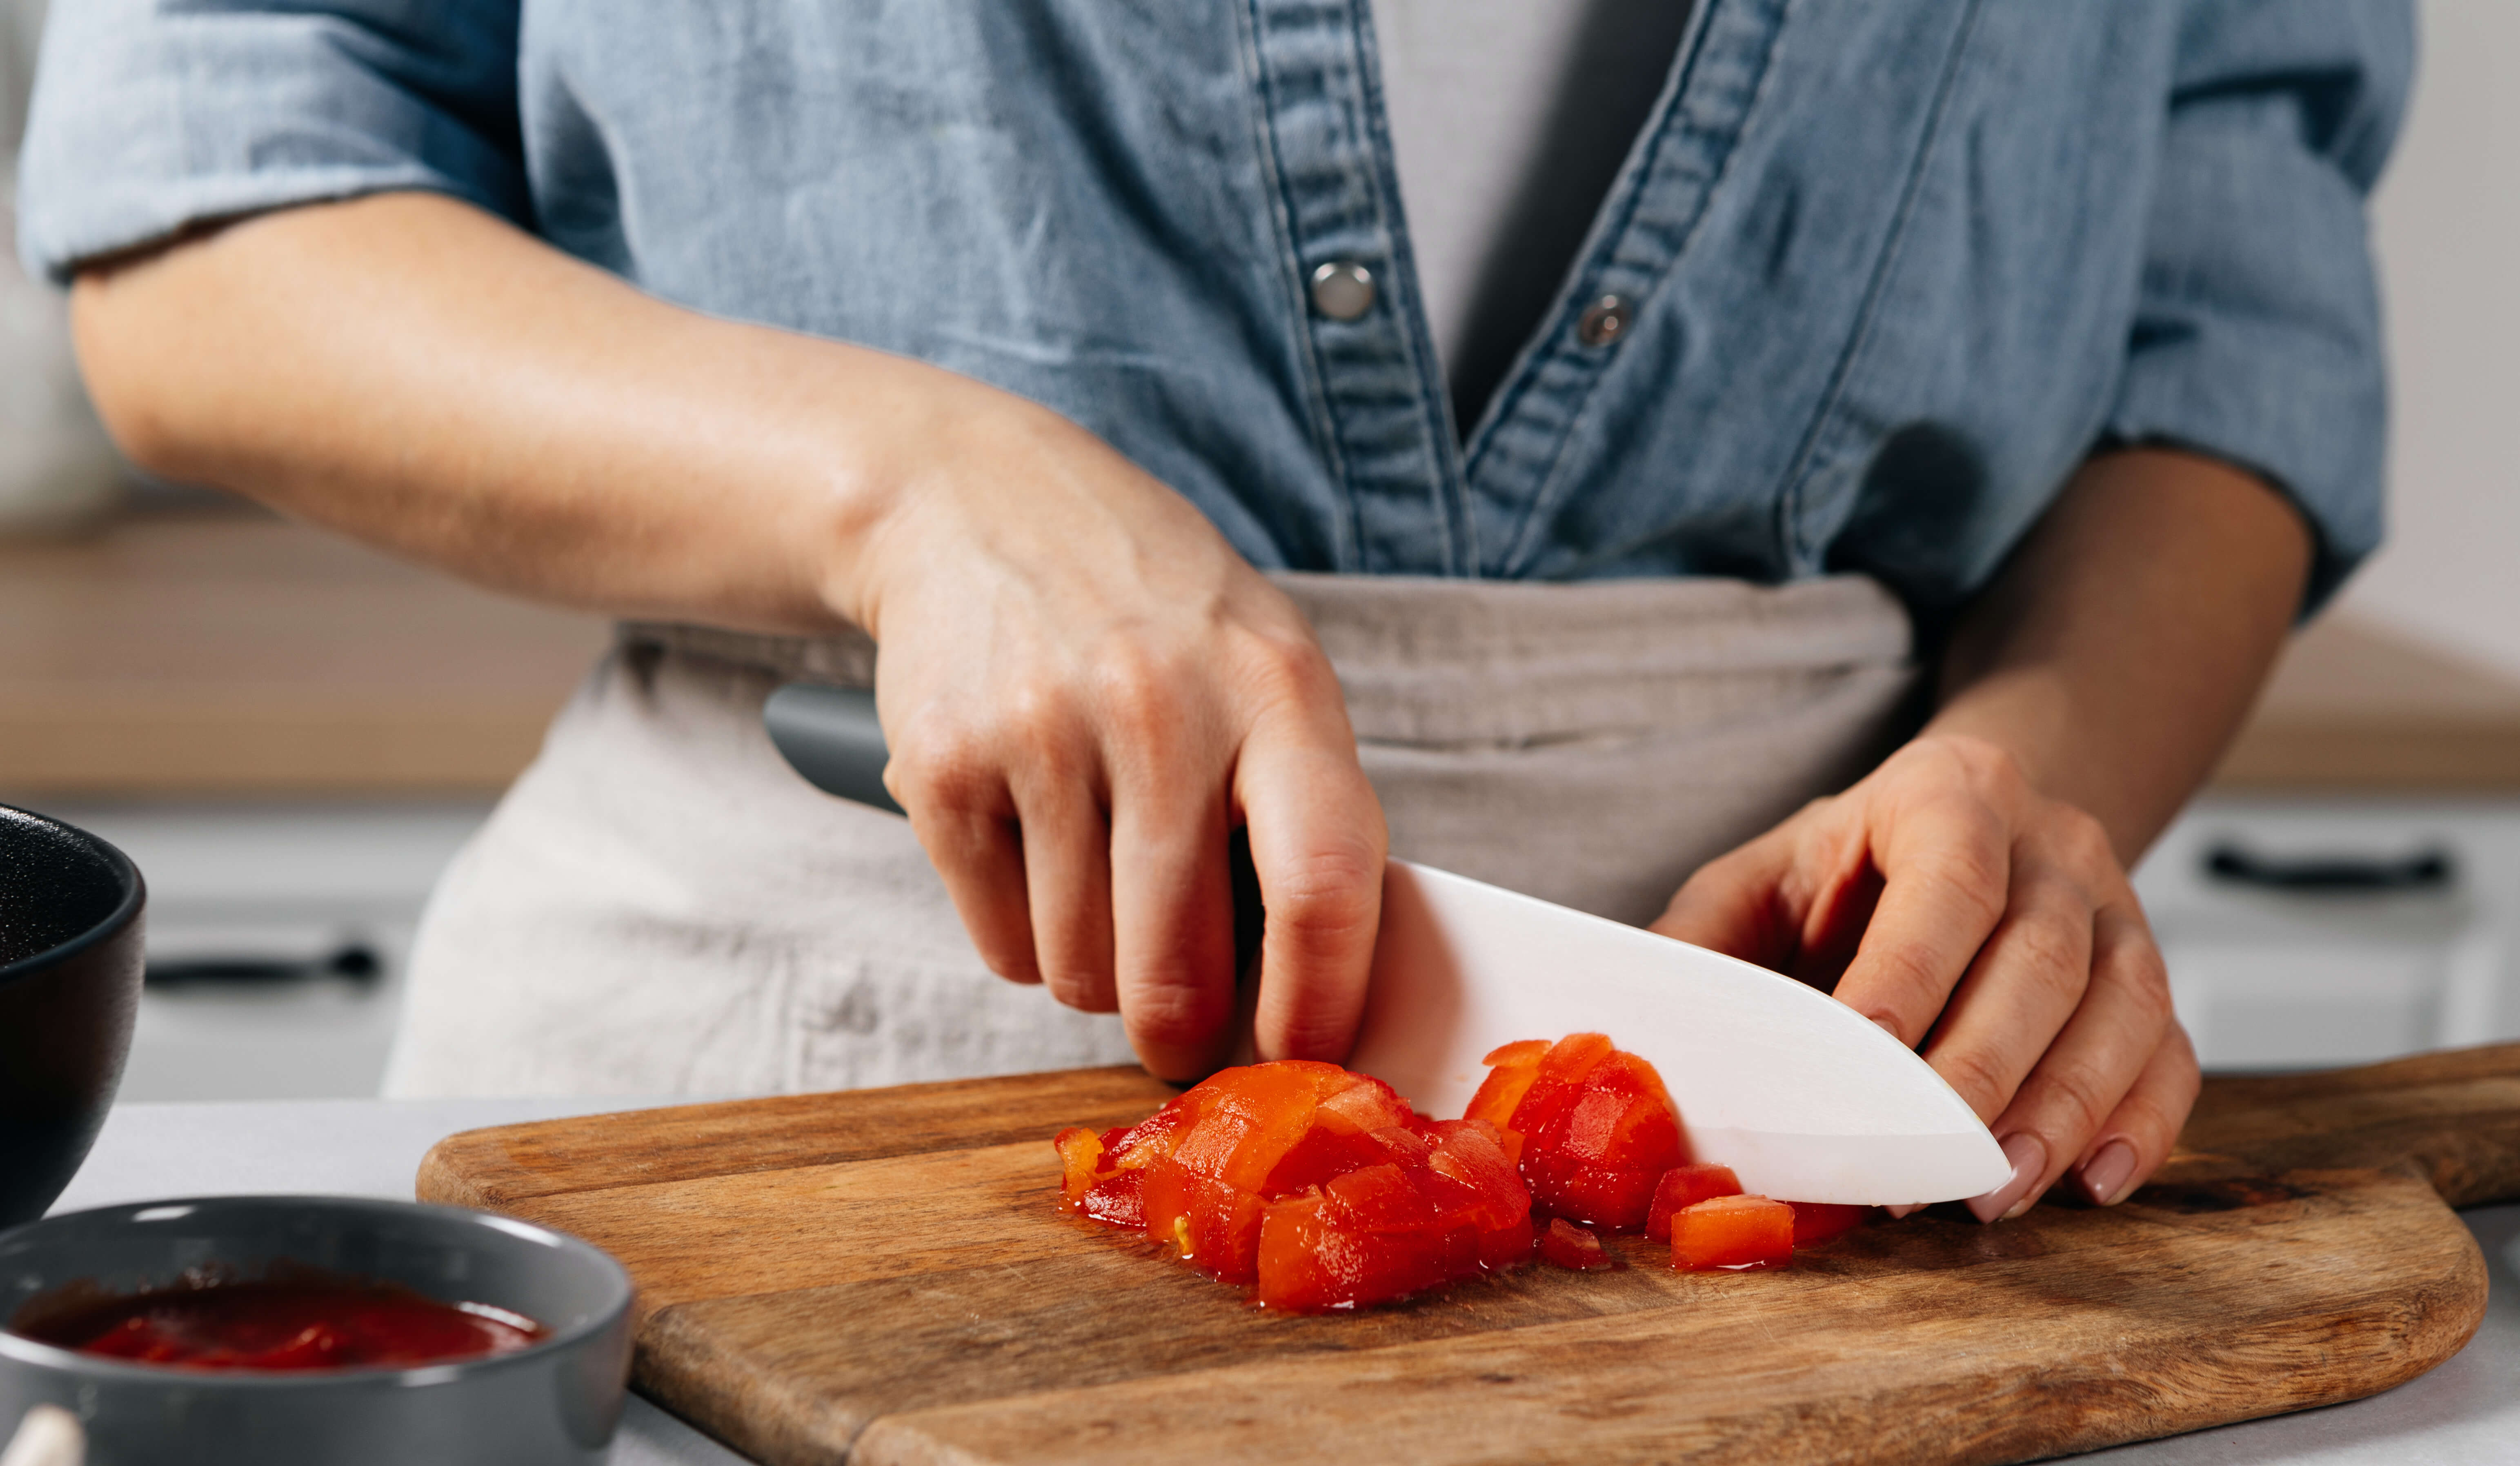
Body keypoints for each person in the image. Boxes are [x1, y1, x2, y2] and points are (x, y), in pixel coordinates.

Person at [19, 1, 2411, 1223]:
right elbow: (203, 228)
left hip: (1821, 1132)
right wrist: (911, 486)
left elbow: (2231, 312)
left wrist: (2044, 775)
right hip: (763, 1081)